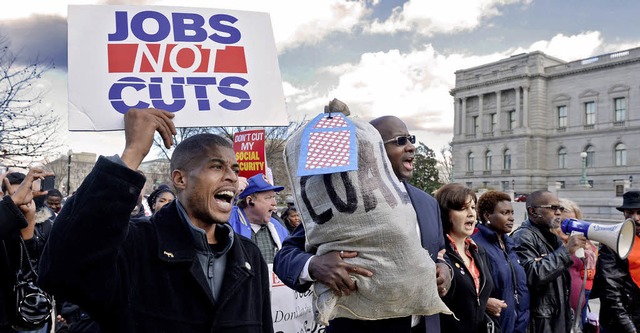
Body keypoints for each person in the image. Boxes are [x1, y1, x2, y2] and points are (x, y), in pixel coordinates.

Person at [38, 108, 273, 333]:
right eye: (216, 166)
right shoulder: (136, 244)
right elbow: (61, 271)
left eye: (235, 169)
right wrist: (133, 153)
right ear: (180, 179)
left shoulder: (249, 257)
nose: (232, 177)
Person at [273, 115, 451, 333]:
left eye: (410, 139)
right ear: (370, 150)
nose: (411, 147)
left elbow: (442, 251)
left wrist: (446, 270)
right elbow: (285, 257)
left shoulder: (427, 203)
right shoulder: (343, 205)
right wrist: (314, 265)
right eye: (400, 141)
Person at [511, 190, 587, 333]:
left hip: (555, 320)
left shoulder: (551, 237)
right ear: (533, 211)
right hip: (540, 322)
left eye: (560, 208)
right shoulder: (523, 236)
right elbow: (530, 275)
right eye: (553, 208)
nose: (558, 212)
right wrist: (566, 251)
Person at [434, 183, 494, 333]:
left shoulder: (479, 251)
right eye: (462, 208)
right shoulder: (438, 253)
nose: (471, 214)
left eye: (473, 207)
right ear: (445, 213)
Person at [0, 168, 54, 333]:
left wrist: (28, 220)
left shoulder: (47, 223)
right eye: (16, 194)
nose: (21, 198)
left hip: (27, 311)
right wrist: (11, 205)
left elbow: (28, 270)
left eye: (23, 192)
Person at [472, 190, 530, 333]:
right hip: (494, 325)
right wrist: (484, 304)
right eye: (505, 213)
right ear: (487, 216)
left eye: (512, 213)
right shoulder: (476, 245)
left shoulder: (509, 245)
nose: (511, 218)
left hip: (518, 325)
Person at [594, 189, 640, 333]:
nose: (635, 218)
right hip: (621, 321)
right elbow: (611, 291)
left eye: (639, 212)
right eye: (630, 212)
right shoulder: (612, 241)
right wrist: (629, 328)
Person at [551, 198, 597, 331]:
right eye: (563, 223)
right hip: (557, 312)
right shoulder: (550, 243)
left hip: (579, 307)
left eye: (573, 223)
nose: (568, 228)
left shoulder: (583, 244)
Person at [228, 174, 288, 264]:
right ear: (250, 200)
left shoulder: (278, 226)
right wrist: (231, 191)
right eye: (268, 198)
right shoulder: (228, 221)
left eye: (274, 197)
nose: (274, 203)